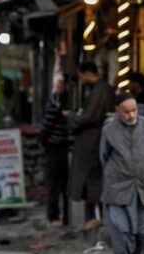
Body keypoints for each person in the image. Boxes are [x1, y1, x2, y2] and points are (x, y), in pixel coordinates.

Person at [100, 93, 144, 254]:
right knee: (121, 229)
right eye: (126, 112)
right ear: (117, 111)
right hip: (118, 186)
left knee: (143, 232)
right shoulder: (109, 130)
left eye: (133, 110)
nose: (131, 115)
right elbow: (104, 156)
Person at [69, 61, 113, 231]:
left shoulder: (101, 90)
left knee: (93, 178)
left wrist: (72, 118)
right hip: (91, 140)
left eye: (81, 76)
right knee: (90, 179)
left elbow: (90, 117)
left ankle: (96, 217)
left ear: (87, 73)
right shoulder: (99, 89)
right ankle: (92, 217)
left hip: (94, 141)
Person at [41, 68, 70, 228]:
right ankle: (60, 216)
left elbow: (46, 125)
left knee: (55, 183)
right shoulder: (63, 100)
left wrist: (43, 140)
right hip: (60, 146)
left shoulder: (57, 101)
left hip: (56, 146)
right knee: (61, 183)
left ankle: (56, 216)